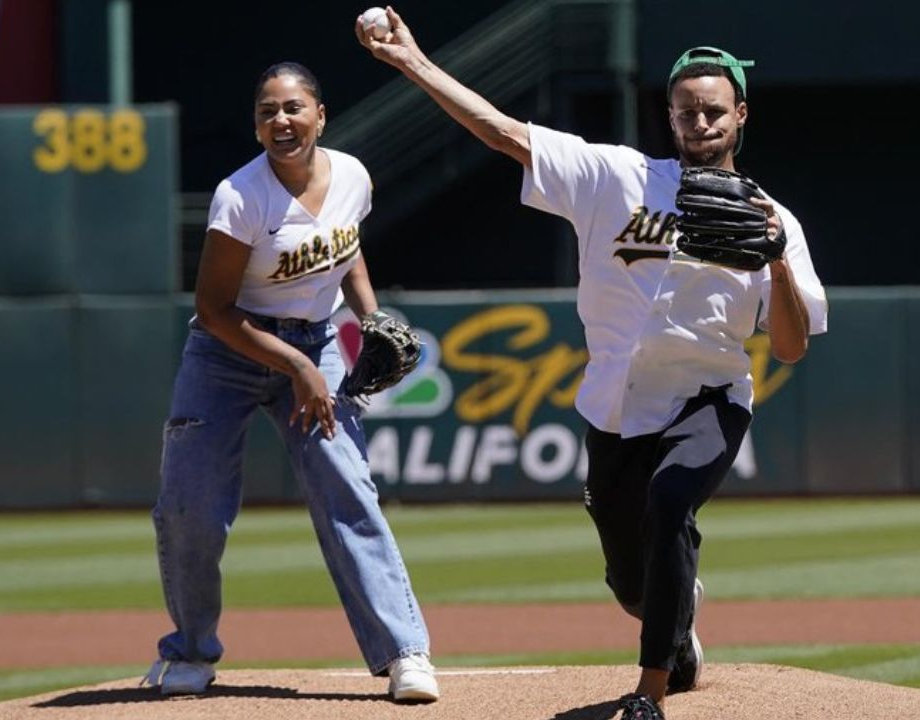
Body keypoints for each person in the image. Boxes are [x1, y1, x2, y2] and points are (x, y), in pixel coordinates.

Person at [357, 11, 827, 719]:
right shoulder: (616, 177)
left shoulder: (773, 220)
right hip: (613, 404)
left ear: (741, 115)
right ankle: (678, 623)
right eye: (687, 111)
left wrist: (775, 261)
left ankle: (650, 692)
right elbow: (504, 132)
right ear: (670, 117)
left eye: (714, 111)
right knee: (630, 583)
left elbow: (791, 345)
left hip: (709, 397)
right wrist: (412, 61)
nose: (701, 123)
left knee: (671, 506)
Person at [143, 61, 439, 703]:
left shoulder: (352, 176)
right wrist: (300, 368)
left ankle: (404, 654)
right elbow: (217, 310)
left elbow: (346, 244)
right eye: (268, 111)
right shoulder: (241, 196)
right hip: (228, 352)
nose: (282, 120)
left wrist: (371, 314)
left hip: (315, 337)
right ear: (256, 127)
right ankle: (191, 652)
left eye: (294, 107)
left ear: (320, 115)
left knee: (347, 489)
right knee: (189, 507)